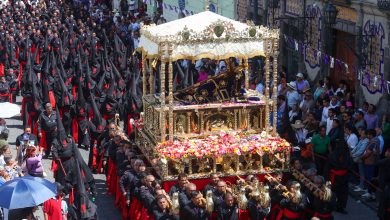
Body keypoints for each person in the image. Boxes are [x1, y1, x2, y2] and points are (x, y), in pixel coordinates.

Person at [326, 141, 351, 214]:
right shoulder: (332, 155)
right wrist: (327, 179)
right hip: (335, 177)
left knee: (342, 193)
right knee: (334, 192)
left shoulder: (346, 155)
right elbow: (327, 168)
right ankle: (332, 206)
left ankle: (340, 207)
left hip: (343, 177)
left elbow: (349, 165)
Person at [360, 129, 380, 200]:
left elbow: (368, 153)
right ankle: (370, 192)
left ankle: (370, 193)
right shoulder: (374, 141)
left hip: (370, 163)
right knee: (370, 178)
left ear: (371, 135)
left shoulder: (373, 142)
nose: (367, 135)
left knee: (370, 178)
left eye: (368, 134)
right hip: (371, 163)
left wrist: (361, 158)